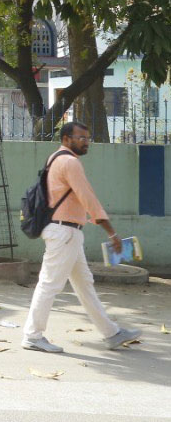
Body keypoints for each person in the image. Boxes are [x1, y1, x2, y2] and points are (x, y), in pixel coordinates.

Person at [22, 121, 142, 353]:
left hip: (69, 233)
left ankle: (112, 333)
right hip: (64, 232)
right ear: (66, 139)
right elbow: (88, 198)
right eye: (81, 138)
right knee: (49, 284)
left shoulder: (56, 158)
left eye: (88, 138)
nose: (86, 142)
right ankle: (32, 336)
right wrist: (112, 232)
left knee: (84, 285)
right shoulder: (69, 162)